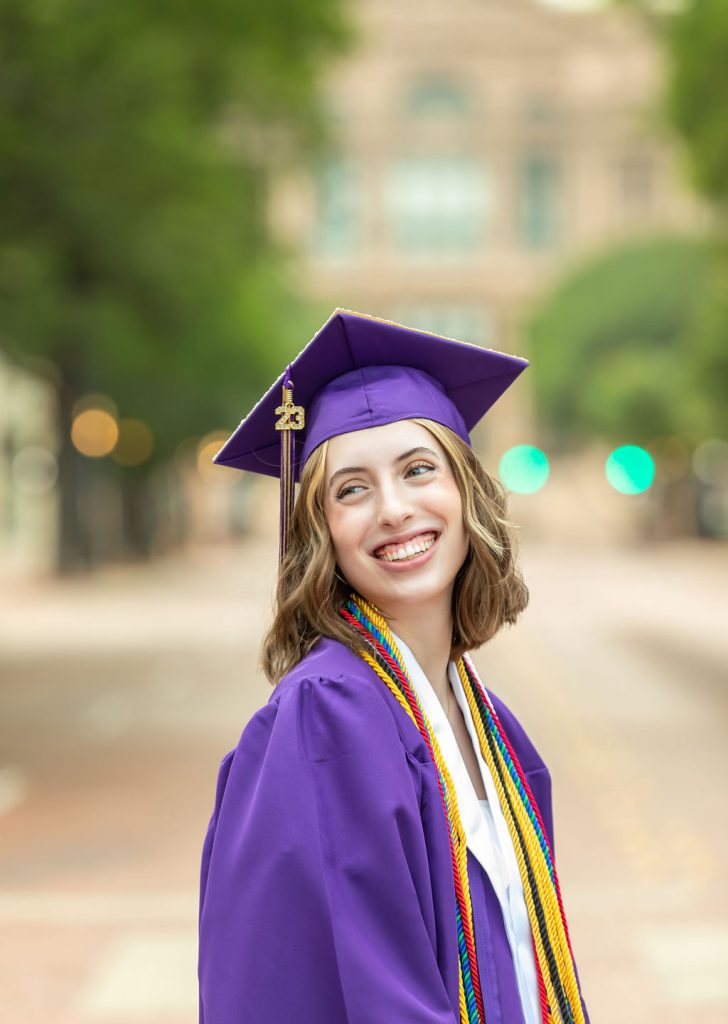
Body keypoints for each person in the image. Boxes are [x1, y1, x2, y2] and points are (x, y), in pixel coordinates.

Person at [198, 309, 590, 1024]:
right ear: (321, 532)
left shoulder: (494, 728)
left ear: (467, 491)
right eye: (351, 489)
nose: (395, 509)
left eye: (417, 470)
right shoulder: (328, 717)